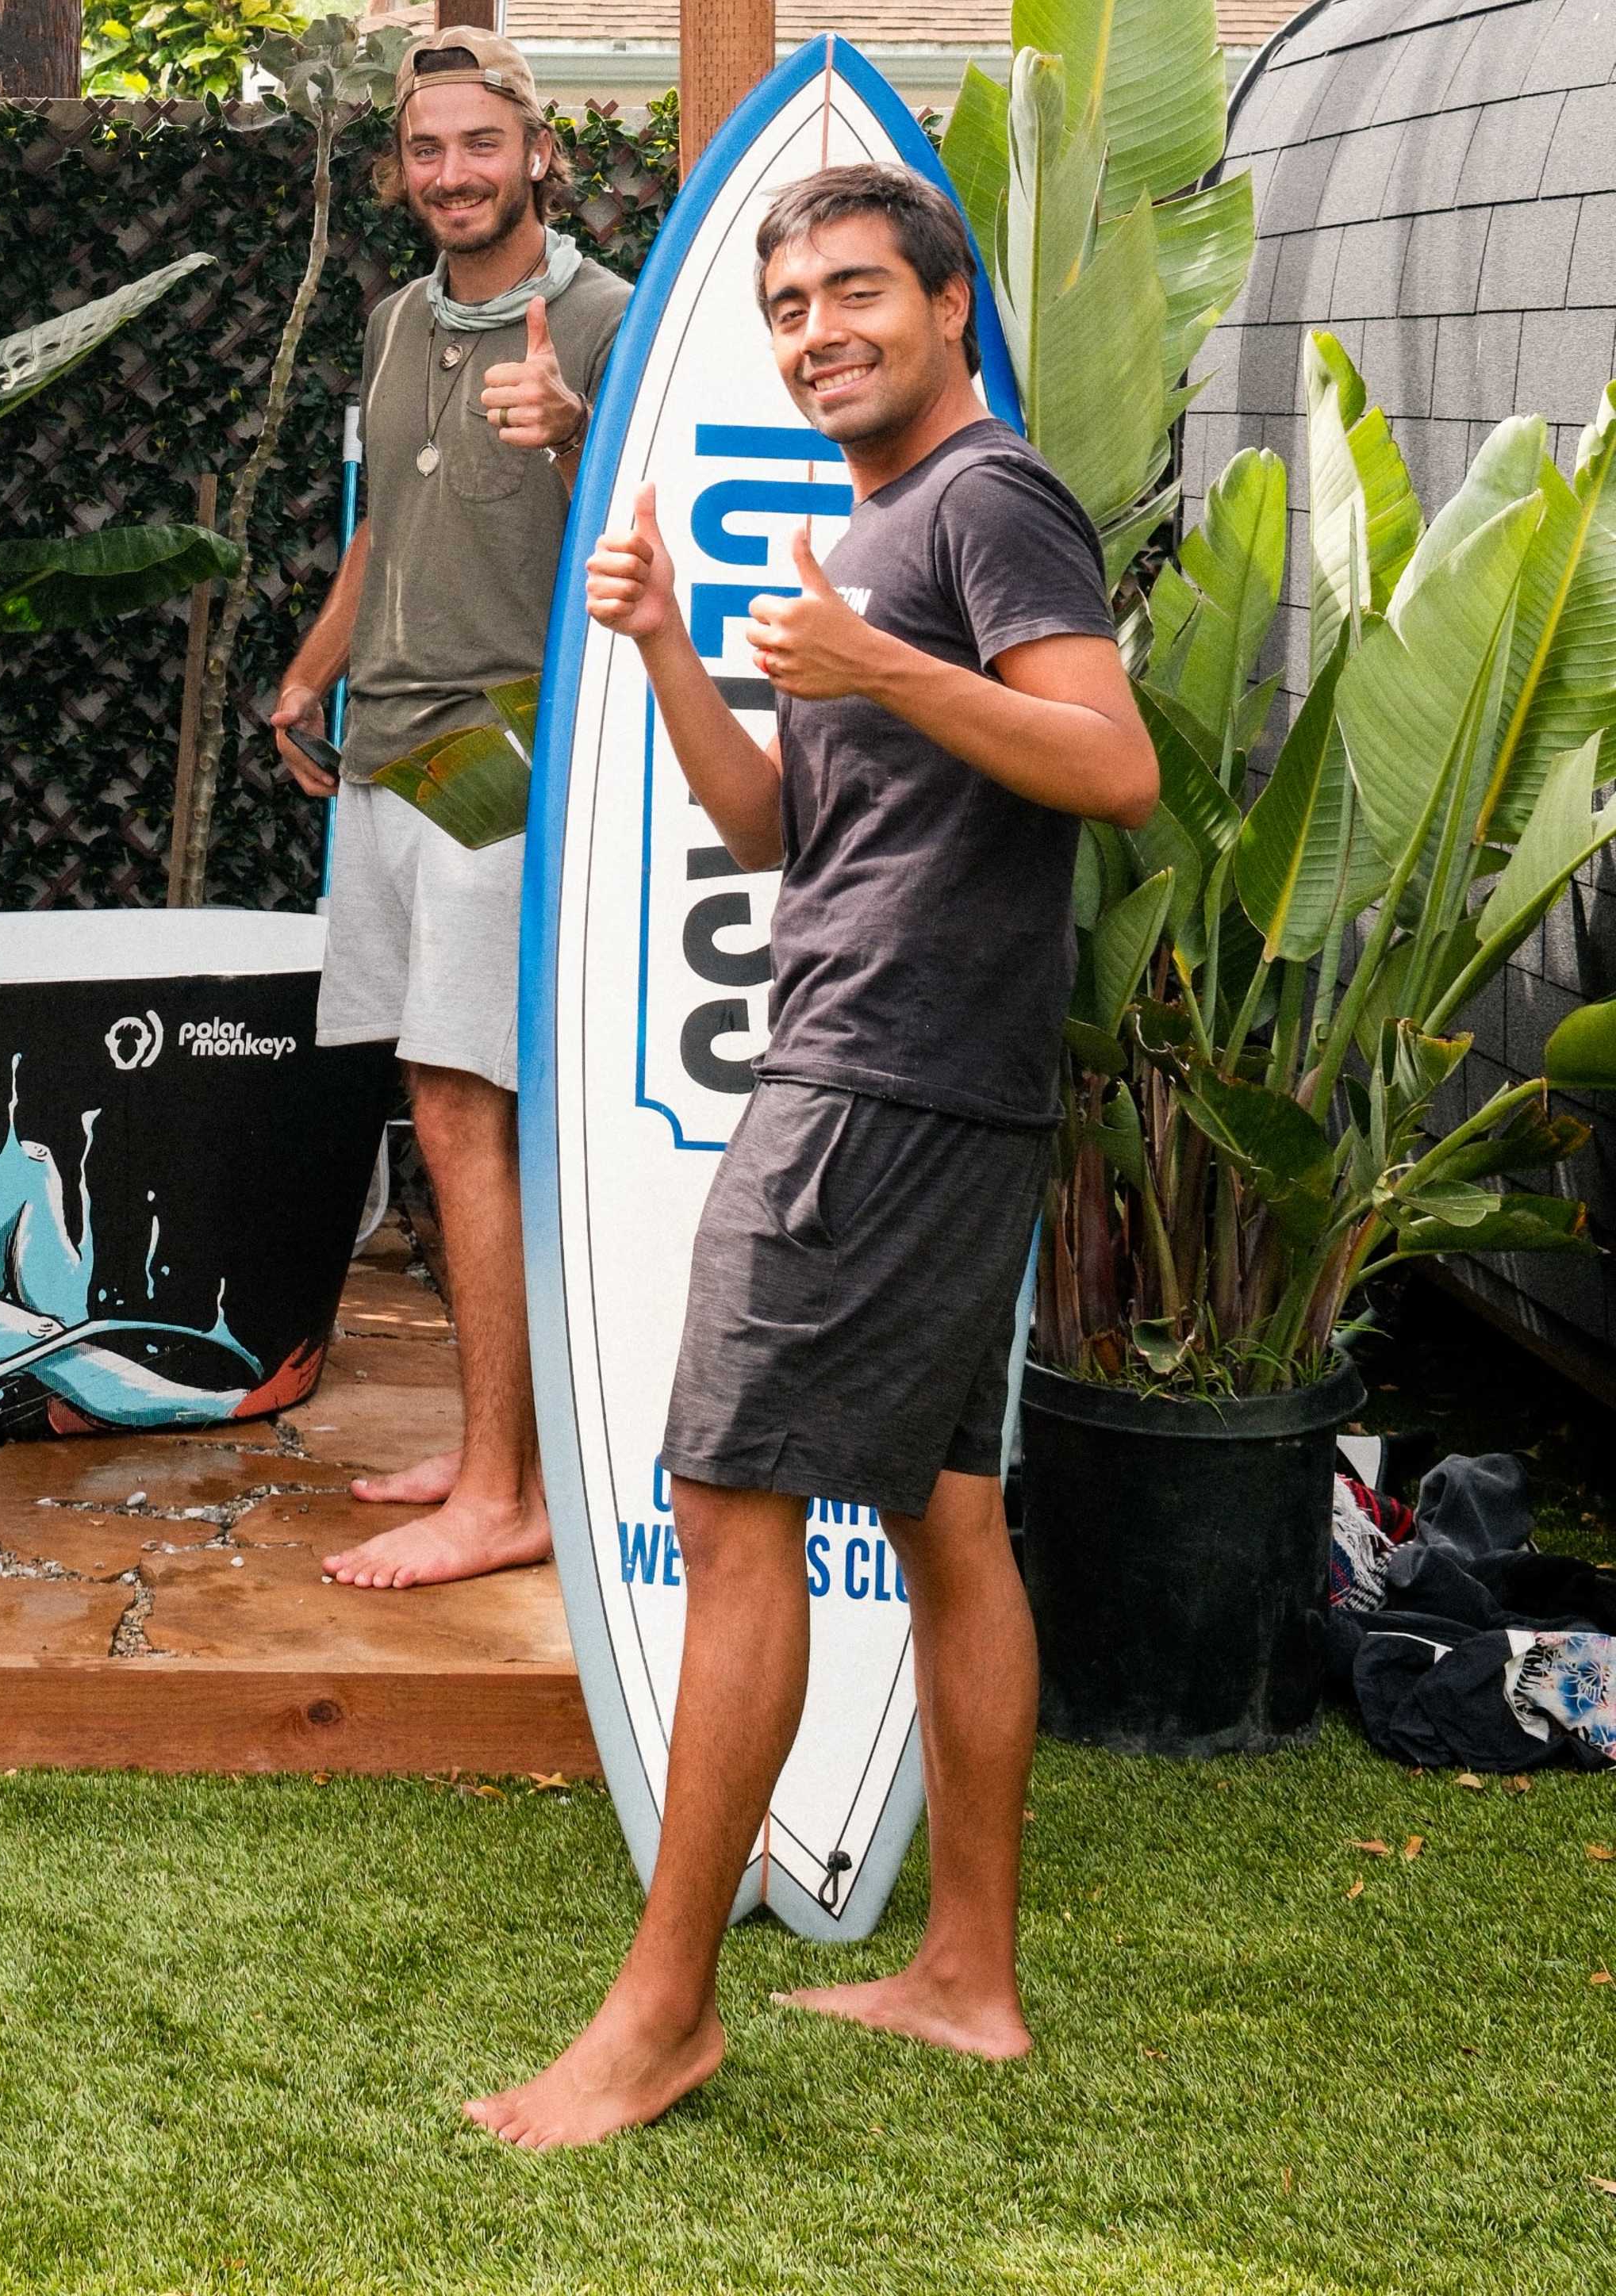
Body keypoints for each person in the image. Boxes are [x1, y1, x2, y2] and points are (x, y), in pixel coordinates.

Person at [470, 164, 1158, 2147]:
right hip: (913, 1068)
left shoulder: (987, 500)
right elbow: (781, 833)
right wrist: (682, 651)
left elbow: (1112, 764)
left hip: (879, 1082)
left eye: (857, 290)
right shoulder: (877, 528)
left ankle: (664, 2015)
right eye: (788, 304)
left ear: (949, 306)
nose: (816, 328)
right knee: (948, 1518)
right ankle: (966, 1975)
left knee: (734, 1499)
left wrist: (886, 666)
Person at [268, 25, 628, 1591]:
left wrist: (573, 445)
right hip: (392, 748)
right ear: (401, 169)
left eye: (482, 145)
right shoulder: (399, 324)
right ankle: (498, 1453)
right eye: (428, 150)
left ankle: (508, 1492)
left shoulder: (609, 322)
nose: (455, 174)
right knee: (444, 1118)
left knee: (468, 1110)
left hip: (516, 743)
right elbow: (386, 534)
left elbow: (647, 551)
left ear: (538, 151)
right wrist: (303, 679)